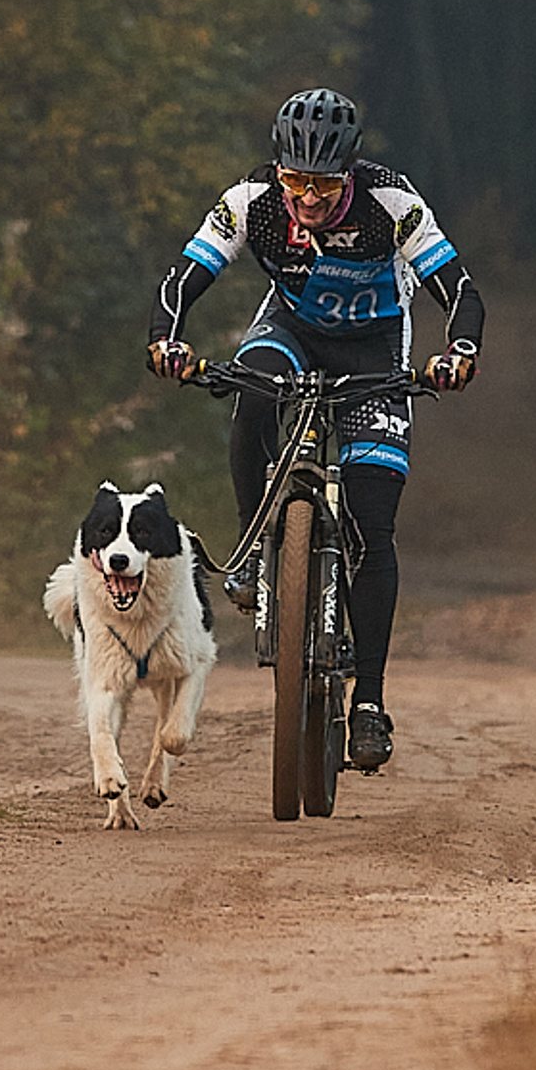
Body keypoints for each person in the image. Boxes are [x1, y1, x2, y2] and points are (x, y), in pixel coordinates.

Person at [145, 86, 482, 773]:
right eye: (296, 181)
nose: (309, 199)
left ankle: (369, 703)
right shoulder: (251, 202)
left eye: (324, 184)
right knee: (252, 390)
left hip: (374, 349)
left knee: (371, 518)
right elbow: (183, 277)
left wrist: (458, 354)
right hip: (292, 331)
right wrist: (165, 339)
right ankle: (249, 553)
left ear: (349, 173)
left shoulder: (392, 202)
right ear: (279, 170)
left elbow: (461, 291)